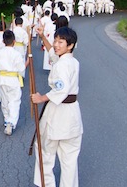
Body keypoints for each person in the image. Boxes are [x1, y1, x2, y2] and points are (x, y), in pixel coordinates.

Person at [31, 27, 82, 187]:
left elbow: (61, 89)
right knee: (70, 160)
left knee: (45, 153)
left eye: (61, 42)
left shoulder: (62, 65)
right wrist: (42, 37)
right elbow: (53, 54)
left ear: (70, 45)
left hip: (57, 114)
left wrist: (41, 98)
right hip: (72, 114)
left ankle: (46, 184)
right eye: (55, 40)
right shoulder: (73, 62)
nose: (56, 44)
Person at [0, 30, 27, 136]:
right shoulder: (17, 54)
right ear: (14, 41)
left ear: (3, 41)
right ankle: (11, 122)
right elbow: (21, 69)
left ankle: (6, 119)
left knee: (5, 101)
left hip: (1, 80)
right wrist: (27, 62)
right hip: (13, 80)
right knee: (14, 101)